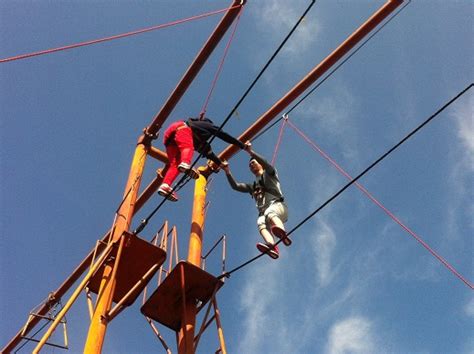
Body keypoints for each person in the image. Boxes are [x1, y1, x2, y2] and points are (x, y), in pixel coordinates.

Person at [222, 142, 290, 259]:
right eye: (250, 165)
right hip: (267, 214)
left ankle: (282, 232)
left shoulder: (269, 173)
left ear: (261, 165)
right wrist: (227, 171)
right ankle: (272, 246)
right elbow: (236, 186)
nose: (251, 165)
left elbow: (266, 163)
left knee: (269, 212)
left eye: (253, 162)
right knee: (260, 221)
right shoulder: (253, 186)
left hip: (278, 207)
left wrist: (250, 152)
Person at [158, 117, 246, 201]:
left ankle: (165, 185)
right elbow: (223, 135)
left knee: (175, 165)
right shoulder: (206, 125)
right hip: (180, 128)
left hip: (169, 140)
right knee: (188, 148)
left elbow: (210, 154)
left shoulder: (199, 141)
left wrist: (220, 164)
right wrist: (241, 145)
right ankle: (185, 163)